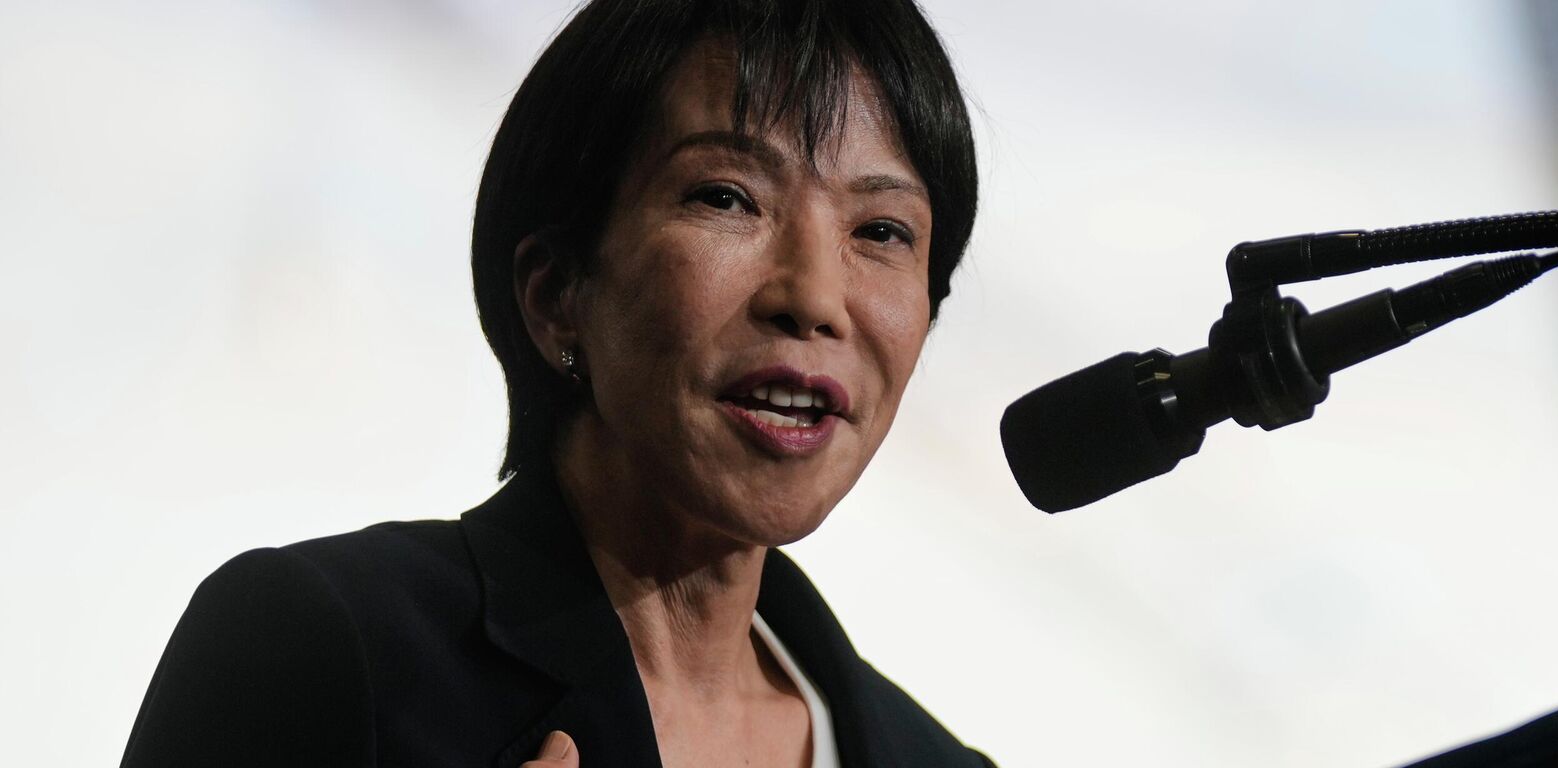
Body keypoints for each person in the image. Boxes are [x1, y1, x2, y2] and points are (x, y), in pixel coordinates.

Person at [119, 0, 988, 765]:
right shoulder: (318, 650)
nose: (814, 299)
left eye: (881, 229)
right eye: (728, 197)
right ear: (556, 294)